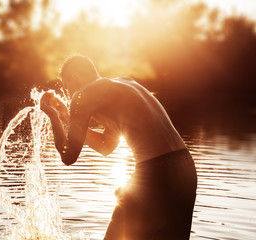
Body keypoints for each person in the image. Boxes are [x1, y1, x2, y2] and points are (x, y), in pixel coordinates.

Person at [40, 55, 197, 240]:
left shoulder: (82, 96)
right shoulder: (126, 83)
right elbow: (107, 145)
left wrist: (53, 117)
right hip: (186, 168)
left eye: (69, 88)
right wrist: (67, 119)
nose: (70, 94)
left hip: (155, 173)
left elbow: (68, 155)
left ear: (75, 78)